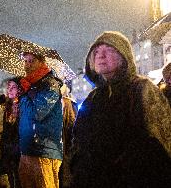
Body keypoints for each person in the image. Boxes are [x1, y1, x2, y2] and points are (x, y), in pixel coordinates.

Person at [70, 31, 171, 187]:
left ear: (124, 57)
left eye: (109, 50)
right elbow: (79, 141)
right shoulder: (94, 97)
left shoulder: (142, 89)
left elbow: (156, 145)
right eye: (96, 52)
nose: (101, 55)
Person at [18, 52, 63, 188]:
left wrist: (26, 95)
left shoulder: (50, 84)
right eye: (25, 61)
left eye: (31, 61)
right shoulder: (31, 85)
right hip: (27, 149)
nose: (27, 65)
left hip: (44, 150)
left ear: (42, 62)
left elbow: (37, 113)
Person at [0, 77, 23, 188]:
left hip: (20, 149)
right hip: (8, 149)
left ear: (19, 90)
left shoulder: (23, 105)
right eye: (9, 87)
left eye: (13, 87)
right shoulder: (6, 107)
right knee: (10, 176)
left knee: (19, 177)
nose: (10, 90)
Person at [59, 83, 77, 188]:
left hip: (66, 145)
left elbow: (72, 126)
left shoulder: (69, 104)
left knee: (65, 174)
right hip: (56, 146)